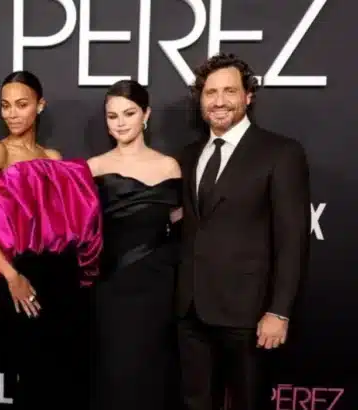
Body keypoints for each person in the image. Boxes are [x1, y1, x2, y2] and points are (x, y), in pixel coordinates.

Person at [176, 53, 311, 410]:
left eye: (229, 91)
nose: (219, 101)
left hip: (249, 313)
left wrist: (279, 311)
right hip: (191, 310)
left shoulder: (280, 152)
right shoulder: (187, 156)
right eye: (210, 93)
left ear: (248, 95)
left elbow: (292, 239)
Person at [0, 70, 102, 409]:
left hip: (62, 276)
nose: (12, 113)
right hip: (21, 273)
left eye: (21, 104)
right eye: (6, 105)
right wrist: (12, 276)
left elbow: (68, 221)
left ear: (40, 105)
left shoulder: (53, 158)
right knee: (27, 374)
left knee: (62, 377)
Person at [86, 79, 183, 410]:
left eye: (129, 113)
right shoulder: (93, 167)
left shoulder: (168, 166)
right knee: (114, 372)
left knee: (152, 374)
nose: (120, 123)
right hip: (110, 286)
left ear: (146, 115)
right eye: (112, 116)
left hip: (157, 287)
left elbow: (179, 227)